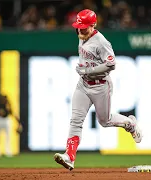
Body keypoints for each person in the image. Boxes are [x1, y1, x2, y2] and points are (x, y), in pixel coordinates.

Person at [53, 9, 143, 171]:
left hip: (101, 86)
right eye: (78, 26)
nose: (80, 29)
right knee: (76, 120)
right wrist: (85, 71)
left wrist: (88, 71)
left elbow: (111, 64)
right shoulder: (81, 34)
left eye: (84, 27)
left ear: (93, 25)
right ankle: (70, 156)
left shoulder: (101, 41)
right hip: (83, 85)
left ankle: (130, 124)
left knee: (105, 121)